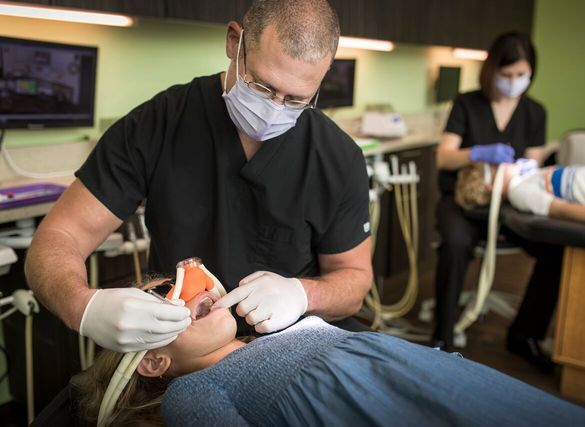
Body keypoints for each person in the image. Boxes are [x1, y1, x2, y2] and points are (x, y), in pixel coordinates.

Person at [24, 0, 373, 353]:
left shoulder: (337, 157)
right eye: (263, 88)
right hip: (184, 351)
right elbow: (59, 237)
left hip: (292, 352)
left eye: (297, 100)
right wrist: (83, 308)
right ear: (234, 43)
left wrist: (302, 294)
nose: (275, 110)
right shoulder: (157, 126)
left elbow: (354, 282)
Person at [74, 280, 585, 426]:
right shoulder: (192, 393)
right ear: (151, 360)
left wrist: (303, 295)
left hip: (426, 373)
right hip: (378, 398)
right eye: (165, 305)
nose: (188, 294)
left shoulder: (273, 329)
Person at [434, 31, 564, 366]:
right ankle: (442, 338)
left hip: (511, 205)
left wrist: (517, 173)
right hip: (464, 203)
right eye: (506, 75)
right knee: (455, 243)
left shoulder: (535, 112)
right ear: (492, 70)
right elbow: (444, 158)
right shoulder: (466, 103)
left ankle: (525, 336)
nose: (514, 82)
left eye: (521, 75)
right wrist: (477, 152)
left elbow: (533, 164)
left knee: (555, 249)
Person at [456, 162, 585, 241]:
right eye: (496, 165)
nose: (506, 161)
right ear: (490, 185)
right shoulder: (519, 193)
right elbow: (562, 210)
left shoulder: (528, 178)